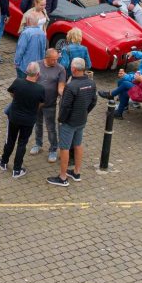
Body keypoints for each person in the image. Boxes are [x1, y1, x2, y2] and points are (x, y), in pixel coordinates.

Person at [47, 58, 96, 187]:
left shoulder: (71, 86)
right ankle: (76, 172)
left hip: (69, 122)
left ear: (73, 69)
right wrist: (84, 112)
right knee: (78, 144)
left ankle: (63, 177)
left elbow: (65, 106)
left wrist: (61, 120)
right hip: (81, 120)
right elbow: (93, 101)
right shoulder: (91, 83)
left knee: (64, 148)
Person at [0, 62, 45, 179]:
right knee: (22, 143)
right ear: (38, 74)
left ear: (26, 71)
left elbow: (11, 92)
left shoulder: (18, 82)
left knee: (10, 140)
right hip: (29, 120)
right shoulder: (40, 88)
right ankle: (17, 170)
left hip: (14, 117)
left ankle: (3, 162)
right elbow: (42, 103)